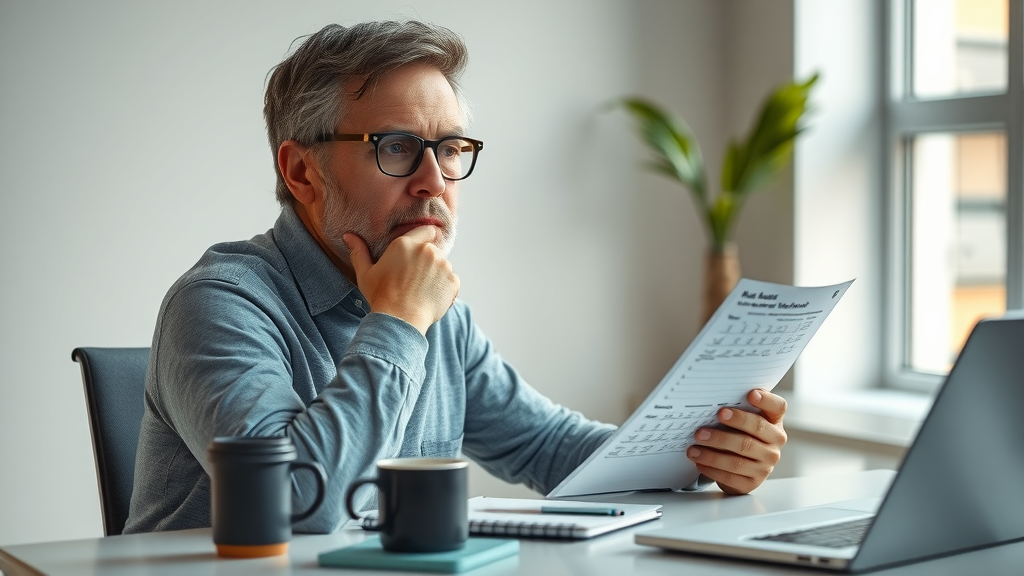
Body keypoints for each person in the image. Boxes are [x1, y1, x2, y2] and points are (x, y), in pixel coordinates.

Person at [124, 20, 788, 534]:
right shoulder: (219, 303)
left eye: (450, 149)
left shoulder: (438, 315)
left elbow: (552, 448)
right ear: (303, 172)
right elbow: (295, 509)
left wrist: (702, 455)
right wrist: (399, 323)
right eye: (395, 147)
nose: (435, 181)